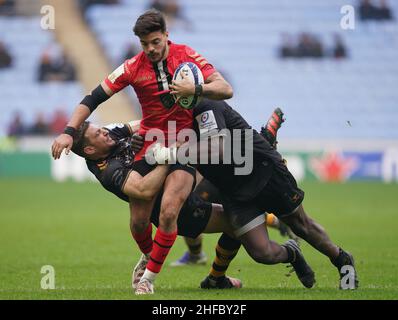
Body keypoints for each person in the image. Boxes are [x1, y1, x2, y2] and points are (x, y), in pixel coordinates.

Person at [51, 9, 233, 294]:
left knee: (169, 212)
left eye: (156, 42)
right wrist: (68, 131)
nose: (151, 49)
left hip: (183, 144)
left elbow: (225, 89)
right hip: (149, 145)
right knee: (138, 222)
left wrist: (195, 87)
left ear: (166, 36)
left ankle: (147, 279)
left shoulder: (186, 56)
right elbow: (92, 98)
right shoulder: (132, 67)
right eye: (145, 44)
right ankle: (149, 254)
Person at [68, 109, 312, 292]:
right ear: (90, 150)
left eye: (101, 128)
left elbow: (147, 124)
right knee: (235, 227)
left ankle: (216, 277)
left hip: (183, 176)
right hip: (177, 203)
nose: (105, 132)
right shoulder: (107, 170)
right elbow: (144, 190)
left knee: (220, 173)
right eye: (98, 133)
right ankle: (288, 251)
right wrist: (168, 155)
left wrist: (152, 136)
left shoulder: (112, 133)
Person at [159, 98, 356, 290]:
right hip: (234, 193)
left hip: (264, 173)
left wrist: (173, 152)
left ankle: (342, 260)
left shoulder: (205, 106)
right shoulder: (171, 126)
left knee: (301, 225)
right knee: (262, 253)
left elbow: (216, 148)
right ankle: (292, 253)